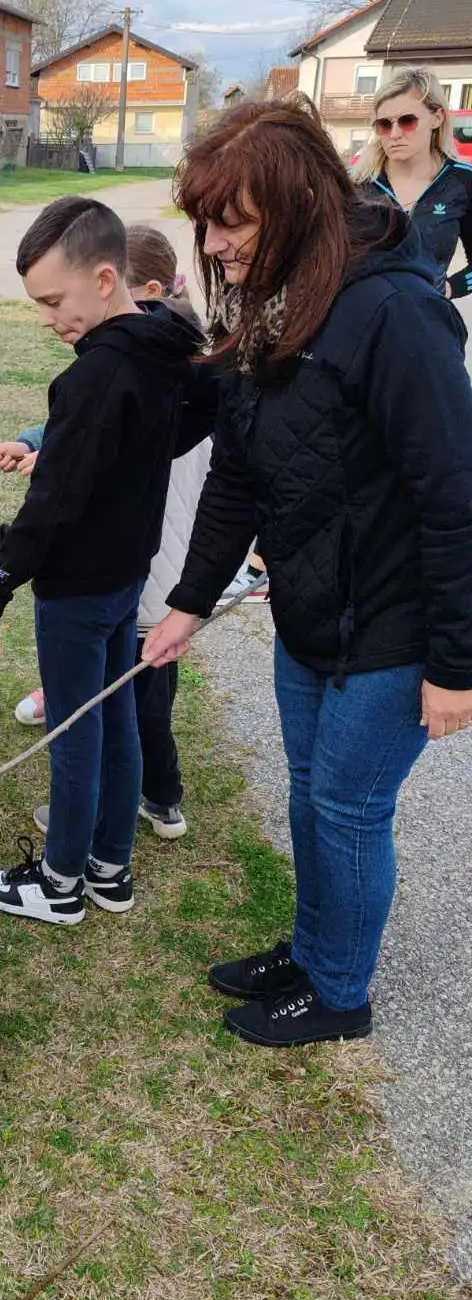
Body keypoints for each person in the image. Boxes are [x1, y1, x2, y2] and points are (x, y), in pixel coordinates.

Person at [145, 98, 472, 1049]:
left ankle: (340, 993)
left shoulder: (392, 311)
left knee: (349, 805)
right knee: (308, 791)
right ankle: (314, 947)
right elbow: (238, 471)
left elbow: (456, 496)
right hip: (312, 609)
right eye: (205, 219)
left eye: (232, 221)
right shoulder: (271, 302)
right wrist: (188, 604)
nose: (211, 242)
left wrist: (455, 665)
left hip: (394, 622)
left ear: (295, 208)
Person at [0, 197, 208, 926]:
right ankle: (110, 868)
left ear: (103, 277)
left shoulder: (95, 377)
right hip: (127, 573)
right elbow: (187, 424)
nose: (48, 318)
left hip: (78, 588)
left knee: (75, 731)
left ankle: (61, 882)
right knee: (117, 717)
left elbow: (51, 508)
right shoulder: (165, 342)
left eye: (54, 300)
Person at [352, 67, 472, 294]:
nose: (395, 134)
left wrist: (449, 289)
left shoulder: (462, 181)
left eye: (407, 121)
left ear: (437, 118)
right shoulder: (356, 182)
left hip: (427, 319)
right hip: (361, 321)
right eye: (384, 125)